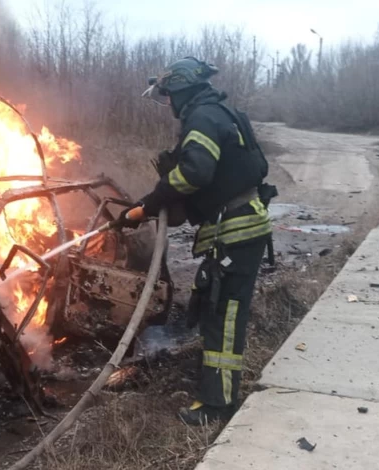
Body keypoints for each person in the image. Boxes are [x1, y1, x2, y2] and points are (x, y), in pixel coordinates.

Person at [118, 57, 276, 425]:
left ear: (181, 90)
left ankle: (217, 406)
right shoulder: (221, 113)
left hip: (235, 231)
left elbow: (196, 172)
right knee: (217, 312)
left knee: (224, 316)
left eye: (169, 95)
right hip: (242, 226)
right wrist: (154, 207)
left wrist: (151, 203)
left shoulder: (202, 118)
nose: (169, 103)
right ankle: (216, 390)